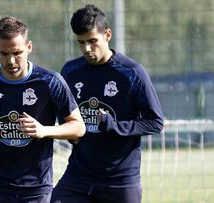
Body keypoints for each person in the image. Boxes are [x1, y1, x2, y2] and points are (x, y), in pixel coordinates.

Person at [0, 16, 85, 203]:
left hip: (34, 189)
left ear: (29, 47)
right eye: (4, 54)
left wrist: (44, 131)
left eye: (17, 53)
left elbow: (78, 127)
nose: (11, 60)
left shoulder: (50, 82)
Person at [51, 4, 164, 203]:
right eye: (81, 42)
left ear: (107, 34)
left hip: (119, 180)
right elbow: (64, 110)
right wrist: (70, 131)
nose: (86, 48)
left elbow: (155, 122)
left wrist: (113, 125)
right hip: (79, 176)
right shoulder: (71, 71)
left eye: (92, 41)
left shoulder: (132, 73)